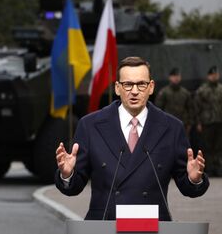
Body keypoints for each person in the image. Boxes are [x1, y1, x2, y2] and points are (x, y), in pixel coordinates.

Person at [55, 56, 208, 221]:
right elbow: (74, 187)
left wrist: (194, 179)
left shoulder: (171, 128)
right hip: (105, 226)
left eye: (141, 84)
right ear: (117, 88)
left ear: (151, 87)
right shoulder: (91, 125)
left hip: (152, 226)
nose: (134, 91)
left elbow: (188, 188)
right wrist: (68, 174)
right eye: (127, 84)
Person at [194, 66, 222, 176]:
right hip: (207, 122)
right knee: (207, 147)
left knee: (219, 146)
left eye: (216, 74)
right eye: (212, 75)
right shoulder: (202, 90)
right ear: (208, 76)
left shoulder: (221, 89)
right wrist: (198, 122)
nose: (214, 76)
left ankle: (218, 168)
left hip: (220, 121)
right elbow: (196, 107)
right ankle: (209, 169)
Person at [154, 67, 193, 133]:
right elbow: (158, 109)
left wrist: (189, 123)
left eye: (178, 76)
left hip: (183, 124)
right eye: (174, 76)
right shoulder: (164, 92)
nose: (176, 78)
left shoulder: (185, 93)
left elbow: (190, 108)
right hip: (168, 124)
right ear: (170, 77)